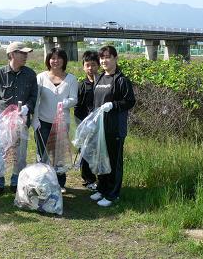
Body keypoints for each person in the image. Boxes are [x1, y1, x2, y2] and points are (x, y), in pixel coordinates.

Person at [0, 41, 38, 198]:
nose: (25, 56)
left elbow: (34, 96)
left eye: (26, 53)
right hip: (2, 122)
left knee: (19, 153)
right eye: (22, 53)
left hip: (21, 122)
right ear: (12, 55)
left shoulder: (30, 74)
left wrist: (28, 107)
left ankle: (16, 181)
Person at [90, 45, 136, 207]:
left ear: (115, 58)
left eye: (108, 57)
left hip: (115, 128)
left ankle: (112, 194)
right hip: (99, 128)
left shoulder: (121, 80)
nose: (104, 60)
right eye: (102, 57)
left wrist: (113, 105)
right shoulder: (100, 78)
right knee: (101, 159)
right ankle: (102, 188)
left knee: (114, 162)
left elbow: (130, 101)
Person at [32, 48, 78, 193]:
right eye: (52, 58)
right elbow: (35, 100)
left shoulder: (71, 79)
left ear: (64, 60)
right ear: (48, 60)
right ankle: (44, 182)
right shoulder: (40, 77)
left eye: (59, 58)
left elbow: (74, 99)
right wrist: (34, 120)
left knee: (59, 155)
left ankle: (60, 183)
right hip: (43, 121)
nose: (55, 61)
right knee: (43, 154)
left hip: (62, 123)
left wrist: (65, 103)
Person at [74, 50, 100, 191]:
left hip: (101, 125)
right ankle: (88, 179)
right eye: (87, 65)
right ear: (83, 67)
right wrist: (82, 125)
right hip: (85, 125)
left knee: (100, 151)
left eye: (94, 65)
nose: (91, 68)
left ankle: (101, 178)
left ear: (99, 66)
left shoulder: (104, 82)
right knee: (85, 152)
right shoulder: (81, 85)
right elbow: (77, 108)